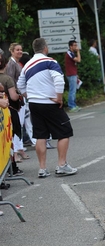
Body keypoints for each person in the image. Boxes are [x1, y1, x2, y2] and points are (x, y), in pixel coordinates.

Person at [17, 38, 78, 178]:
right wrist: (59, 97)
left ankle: (42, 169)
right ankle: (62, 165)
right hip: (49, 102)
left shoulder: (27, 65)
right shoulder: (50, 61)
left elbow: (20, 85)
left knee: (40, 135)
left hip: (34, 103)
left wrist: (30, 95)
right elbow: (58, 79)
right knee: (64, 131)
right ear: (45, 48)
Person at [6, 43, 30, 162]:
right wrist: (17, 94)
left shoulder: (17, 63)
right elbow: (10, 82)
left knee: (20, 123)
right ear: (12, 51)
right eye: (17, 50)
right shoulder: (11, 64)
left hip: (20, 96)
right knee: (16, 124)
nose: (20, 51)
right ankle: (15, 151)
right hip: (15, 98)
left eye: (21, 49)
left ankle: (19, 148)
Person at [0, 54, 24, 176]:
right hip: (9, 111)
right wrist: (20, 95)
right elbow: (13, 96)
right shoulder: (7, 79)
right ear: (6, 64)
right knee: (9, 140)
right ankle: (12, 167)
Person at [65, 40, 81, 112]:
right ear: (71, 46)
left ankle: (74, 105)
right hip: (71, 74)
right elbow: (78, 60)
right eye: (74, 45)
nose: (76, 47)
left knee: (74, 90)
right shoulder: (69, 53)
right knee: (72, 90)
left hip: (73, 73)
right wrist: (78, 52)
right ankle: (71, 106)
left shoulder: (71, 53)